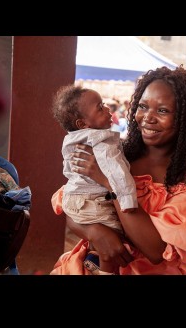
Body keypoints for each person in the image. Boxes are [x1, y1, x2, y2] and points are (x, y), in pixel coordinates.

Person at [50, 65, 186, 275]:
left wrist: (110, 183)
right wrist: (95, 232)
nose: (148, 117)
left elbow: (156, 250)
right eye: (143, 106)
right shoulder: (118, 153)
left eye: (163, 110)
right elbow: (72, 205)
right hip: (97, 260)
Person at [51, 84, 138, 275]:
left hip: (74, 198)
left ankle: (95, 264)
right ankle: (106, 272)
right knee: (115, 237)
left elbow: (68, 169)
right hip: (91, 201)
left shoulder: (72, 139)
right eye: (100, 107)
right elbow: (118, 175)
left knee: (103, 239)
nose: (107, 109)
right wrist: (127, 201)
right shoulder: (102, 143)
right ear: (83, 123)